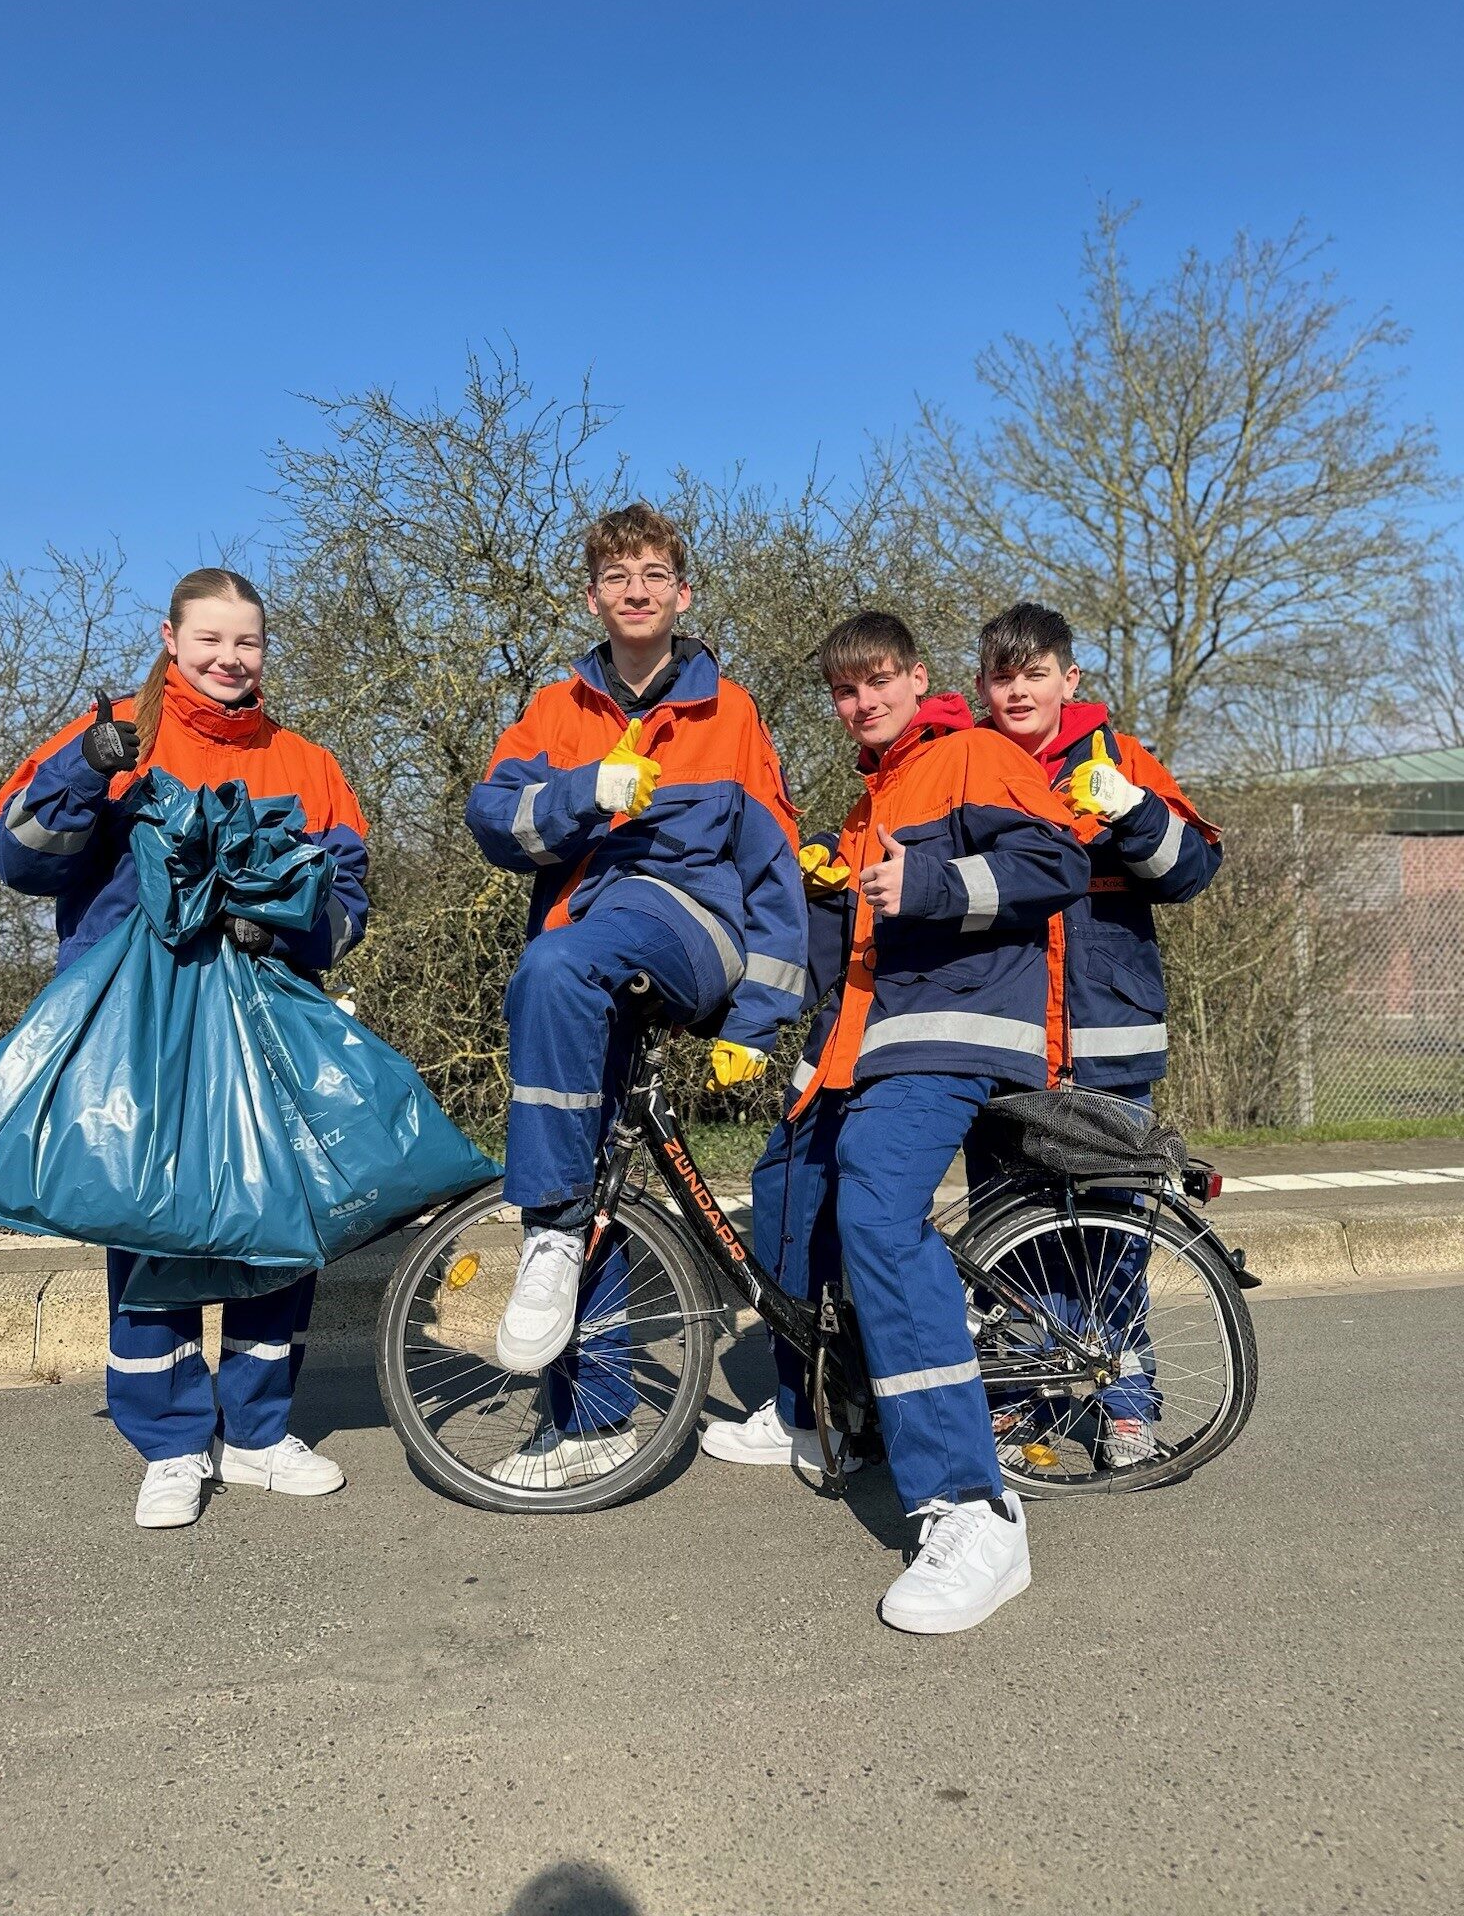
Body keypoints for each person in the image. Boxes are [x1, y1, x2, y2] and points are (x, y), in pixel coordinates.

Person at [703, 611, 1090, 1634]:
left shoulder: (973, 753)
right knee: (787, 1181)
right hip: (868, 1040)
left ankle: (972, 1502)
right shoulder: (872, 796)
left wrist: (925, 880)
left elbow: (1055, 867)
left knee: (875, 1211)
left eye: (878, 682)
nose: (862, 702)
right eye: (844, 690)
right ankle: (830, 1412)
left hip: (953, 1034)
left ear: (919, 679)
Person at [0, 567, 368, 1529]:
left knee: (273, 1220)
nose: (229, 660)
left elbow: (351, 898)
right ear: (170, 638)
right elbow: (14, 855)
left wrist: (285, 926)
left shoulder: (307, 762)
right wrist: (84, 770)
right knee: (149, 1217)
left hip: (264, 1017)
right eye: (210, 641)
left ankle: (257, 1435)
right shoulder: (114, 734)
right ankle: (166, 1442)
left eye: (246, 643)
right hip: (135, 1020)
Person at [465, 502, 807, 1488]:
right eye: (619, 576)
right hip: (586, 955)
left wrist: (758, 1016)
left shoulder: (728, 712)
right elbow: (491, 820)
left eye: (655, 573)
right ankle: (595, 1416)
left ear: (683, 591)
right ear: (594, 596)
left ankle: (550, 1239)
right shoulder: (553, 710)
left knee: (556, 962)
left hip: (688, 925)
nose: (638, 589)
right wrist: (585, 792)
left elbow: (777, 875)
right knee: (584, 1163)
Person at [969, 600, 1222, 1467]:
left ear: (1069, 680)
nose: (1018, 690)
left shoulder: (1120, 759)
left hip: (1105, 1042)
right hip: (999, 1042)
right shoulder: (966, 763)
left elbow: (1189, 872)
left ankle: (1124, 1402)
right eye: (1003, 676)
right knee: (1010, 1240)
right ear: (981, 686)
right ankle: (1023, 1399)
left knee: (1112, 1235)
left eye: (1035, 673)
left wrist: (1133, 811)